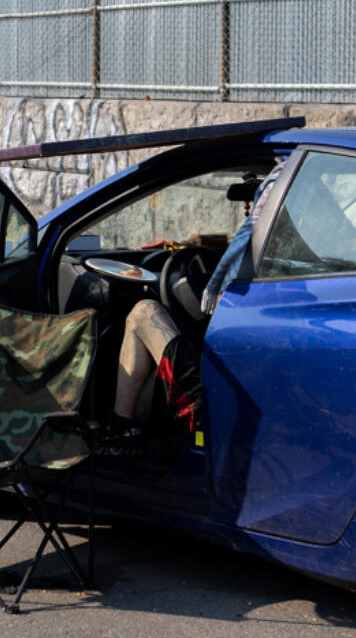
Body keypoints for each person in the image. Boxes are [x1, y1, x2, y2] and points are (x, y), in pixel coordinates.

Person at [105, 158, 287, 454]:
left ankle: (119, 431)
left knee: (144, 313)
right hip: (236, 385)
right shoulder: (286, 260)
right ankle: (131, 431)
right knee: (156, 350)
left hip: (213, 401)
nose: (255, 210)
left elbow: (224, 281)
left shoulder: (259, 255)